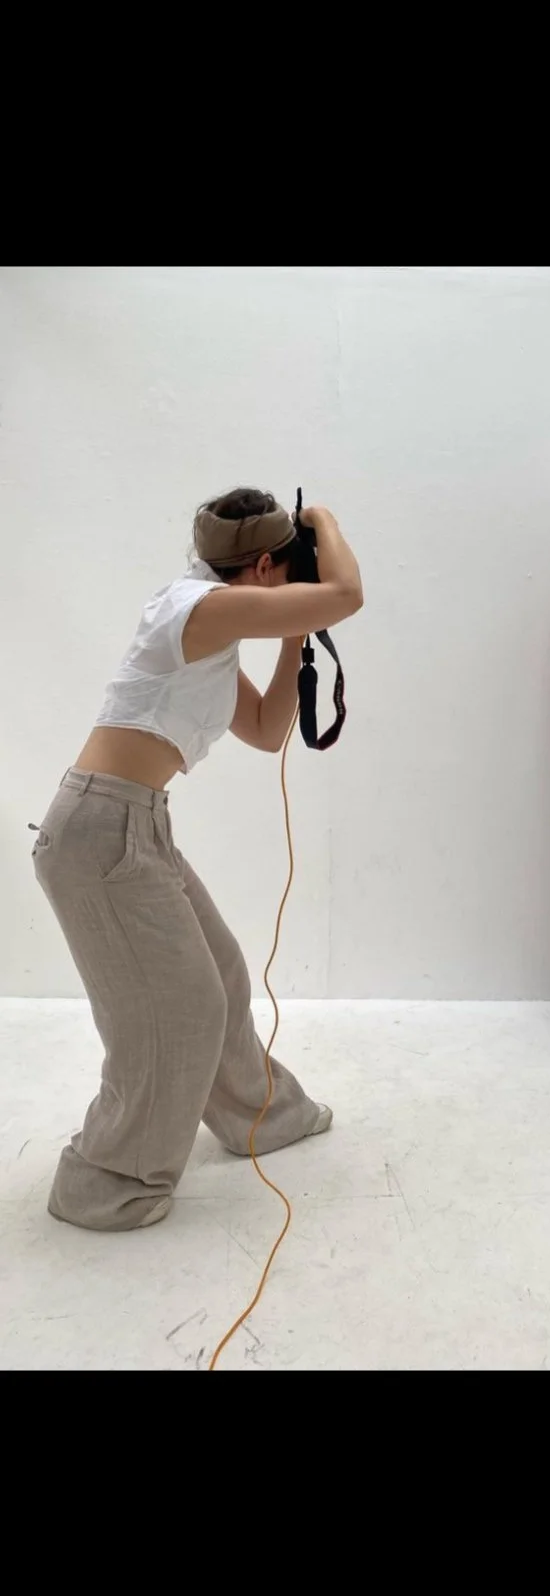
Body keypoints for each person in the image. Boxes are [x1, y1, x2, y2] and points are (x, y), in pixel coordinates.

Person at [32, 490, 363, 1231]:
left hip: (135, 826)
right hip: (99, 831)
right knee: (176, 1011)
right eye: (291, 566)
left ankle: (262, 1118)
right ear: (269, 562)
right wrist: (327, 525)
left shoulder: (213, 629)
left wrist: (291, 636)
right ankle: (106, 1180)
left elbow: (268, 729)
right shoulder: (196, 607)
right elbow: (347, 595)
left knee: (222, 974)